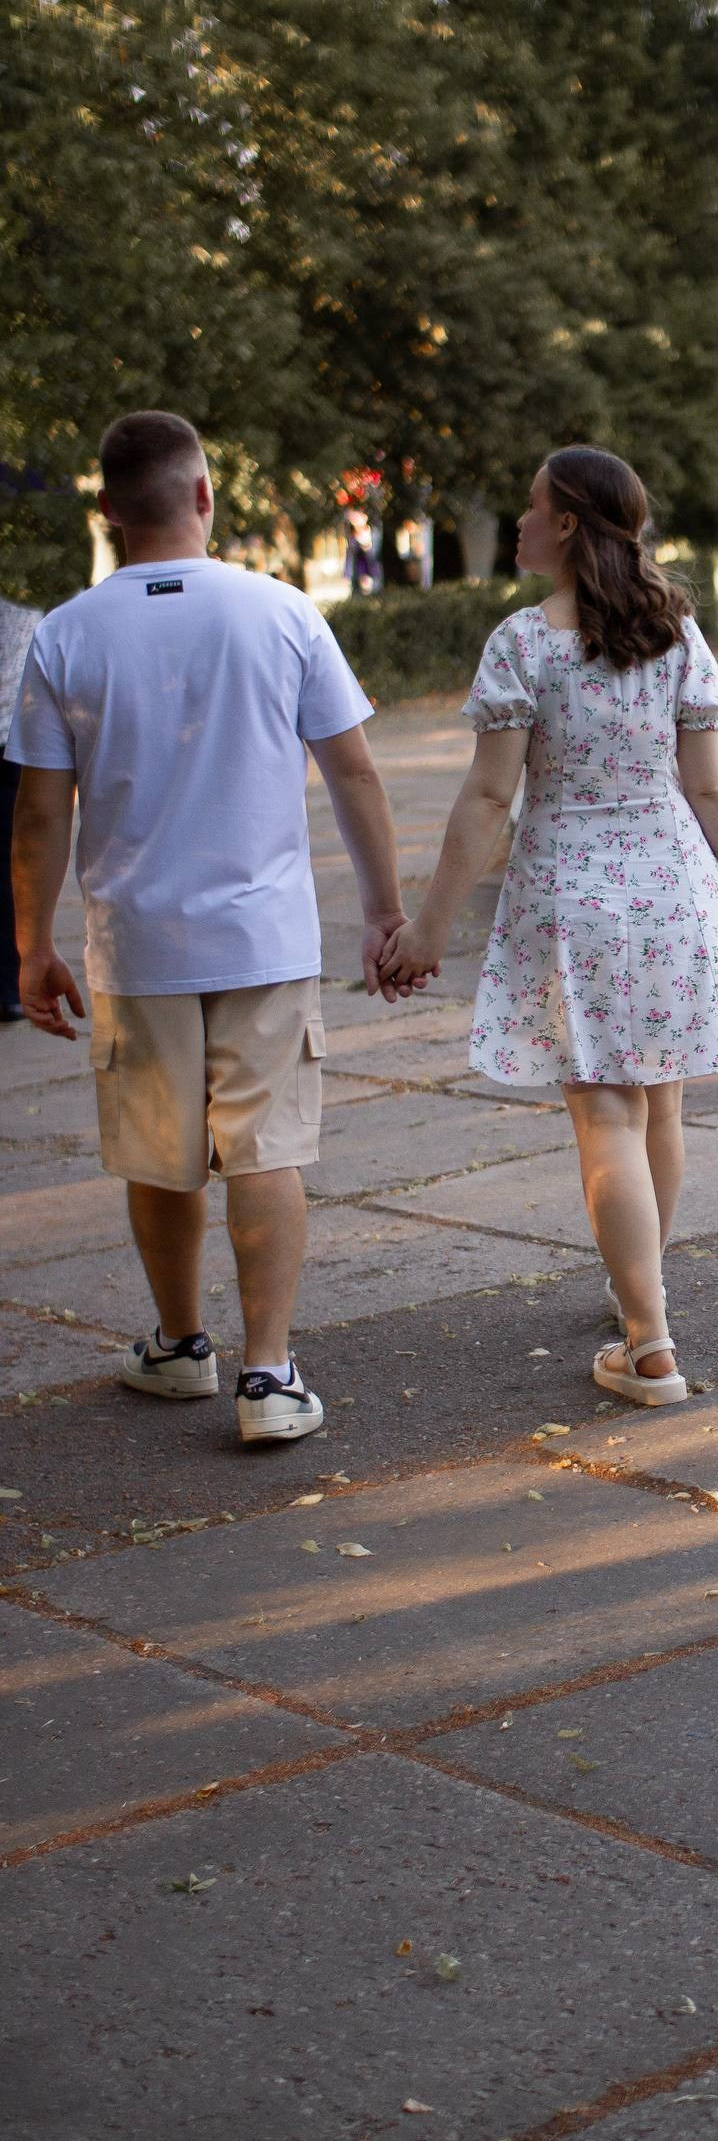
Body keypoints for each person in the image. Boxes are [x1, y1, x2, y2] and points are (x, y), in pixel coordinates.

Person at [6, 410, 420, 1443]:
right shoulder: (280, 612)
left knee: (162, 1153)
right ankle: (270, 1376)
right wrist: (382, 912)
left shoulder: (64, 634)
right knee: (265, 1146)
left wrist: (31, 945)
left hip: (137, 944)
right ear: (203, 495)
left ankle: (183, 1347)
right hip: (264, 939)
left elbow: (40, 810)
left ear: (106, 511)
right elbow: (355, 769)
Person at [379, 443, 718, 1409]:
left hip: (577, 897)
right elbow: (712, 783)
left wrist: (427, 928)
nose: (517, 520)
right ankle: (641, 1291)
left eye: (529, 505)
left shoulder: (523, 642)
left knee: (605, 1115)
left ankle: (648, 1346)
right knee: (660, 1105)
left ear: (566, 524)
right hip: (677, 887)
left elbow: (486, 797)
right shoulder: (675, 630)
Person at [0, 593, 44, 1020]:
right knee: (10, 868)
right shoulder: (30, 614)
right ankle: (8, 986)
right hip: (12, 745)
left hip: (12, 746)